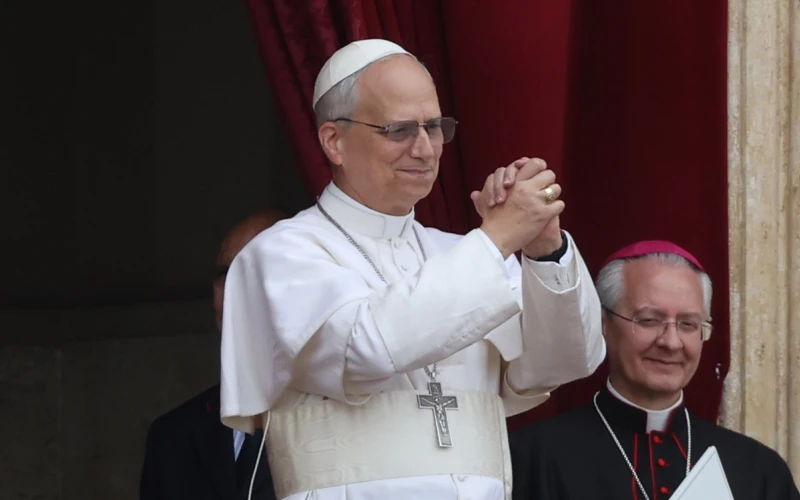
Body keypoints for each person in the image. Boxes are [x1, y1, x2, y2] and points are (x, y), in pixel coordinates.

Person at [220, 39, 606, 500]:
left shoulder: (463, 254)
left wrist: (544, 248)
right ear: (334, 141)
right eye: (399, 129)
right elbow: (365, 349)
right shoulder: (282, 254)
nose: (424, 149)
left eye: (434, 127)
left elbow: (568, 361)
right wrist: (499, 238)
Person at [510, 240, 800, 500]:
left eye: (688, 324)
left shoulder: (758, 469)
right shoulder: (533, 459)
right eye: (648, 320)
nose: (671, 343)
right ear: (605, 323)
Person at [140, 209, 284, 500]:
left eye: (253, 271)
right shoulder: (173, 437)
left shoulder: (355, 417)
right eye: (224, 275)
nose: (233, 292)